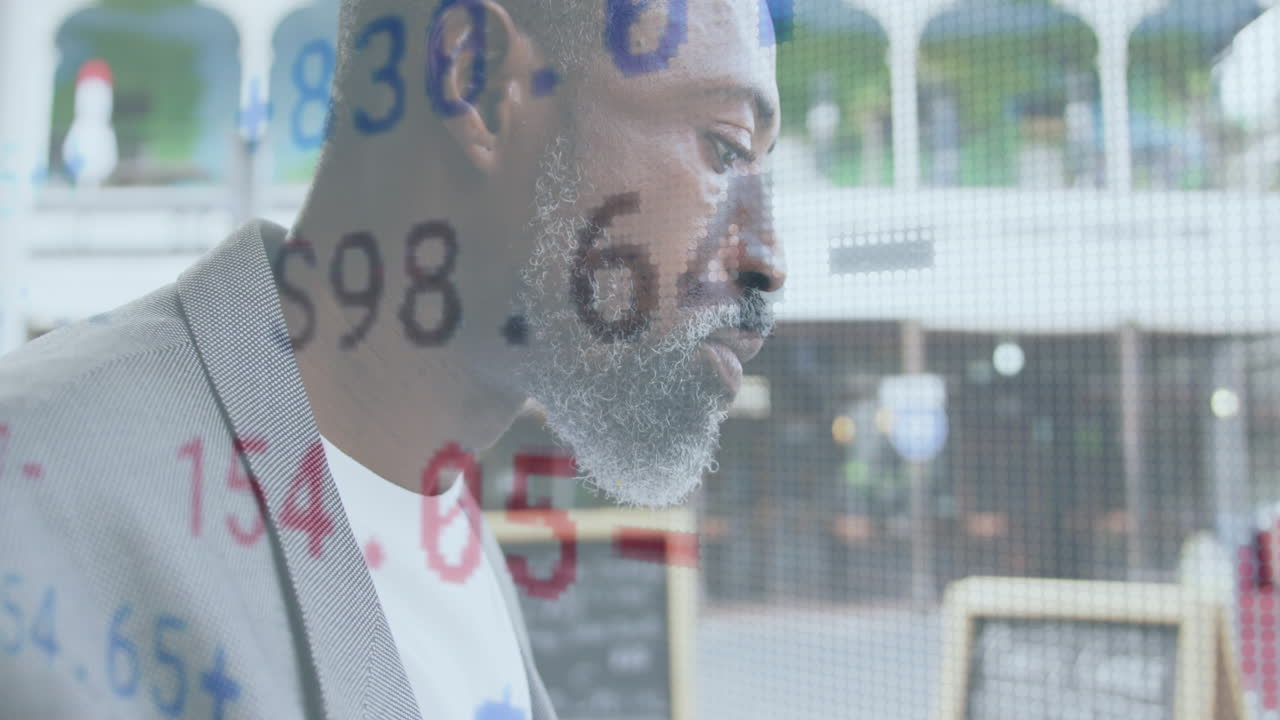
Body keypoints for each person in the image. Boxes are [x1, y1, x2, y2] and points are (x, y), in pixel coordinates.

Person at [0, 0, 785, 718]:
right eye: (725, 150)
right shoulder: (29, 503)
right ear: (475, 84)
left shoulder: (450, 535)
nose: (769, 260)